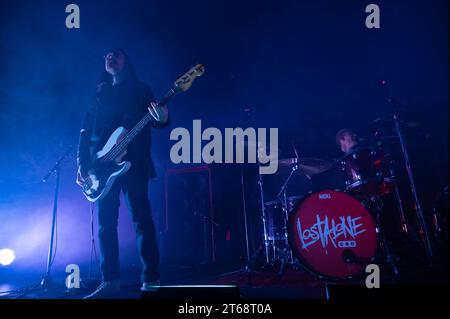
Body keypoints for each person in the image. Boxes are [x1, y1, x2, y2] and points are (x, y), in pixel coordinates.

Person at [76, 49, 169, 298]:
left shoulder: (140, 88)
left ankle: (151, 278)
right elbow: (85, 131)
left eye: (116, 55)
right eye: (106, 55)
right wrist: (82, 164)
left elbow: (157, 119)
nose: (109, 57)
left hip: (134, 162)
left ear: (126, 61)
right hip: (101, 166)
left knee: (141, 219)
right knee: (106, 225)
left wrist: (163, 117)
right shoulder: (100, 93)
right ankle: (110, 281)